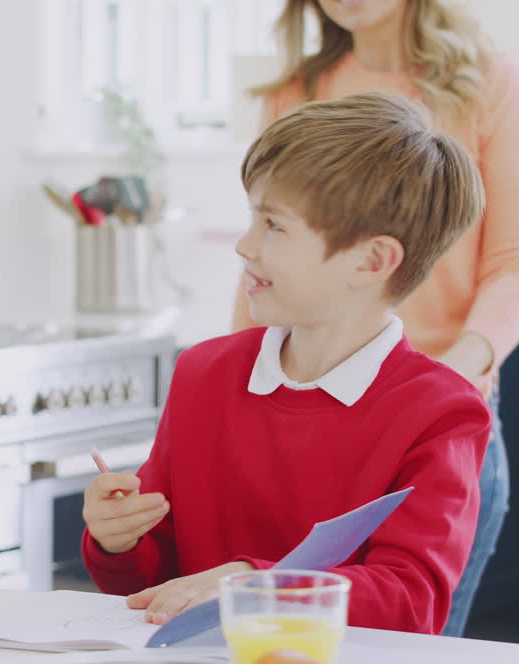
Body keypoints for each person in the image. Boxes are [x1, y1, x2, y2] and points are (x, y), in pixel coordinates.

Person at [83, 92, 491, 635]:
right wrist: (119, 540)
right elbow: (154, 584)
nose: (245, 246)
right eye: (253, 218)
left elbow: (409, 601)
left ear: (371, 261)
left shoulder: (441, 413)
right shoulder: (203, 374)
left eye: (274, 225)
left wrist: (253, 586)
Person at [234, 0, 519, 636]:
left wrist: (448, 381)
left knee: (405, 642)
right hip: (308, 426)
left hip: (433, 420)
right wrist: (227, 398)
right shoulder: (297, 95)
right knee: (287, 641)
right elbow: (263, 264)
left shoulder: (489, 86)